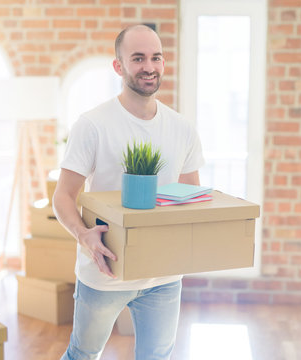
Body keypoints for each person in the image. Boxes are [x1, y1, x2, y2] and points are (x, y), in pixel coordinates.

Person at [53, 24, 205, 360]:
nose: (149, 67)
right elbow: (63, 196)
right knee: (83, 354)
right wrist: (83, 236)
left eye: (156, 58)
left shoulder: (182, 128)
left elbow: (190, 195)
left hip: (164, 276)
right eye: (138, 58)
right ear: (118, 66)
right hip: (105, 272)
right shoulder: (93, 124)